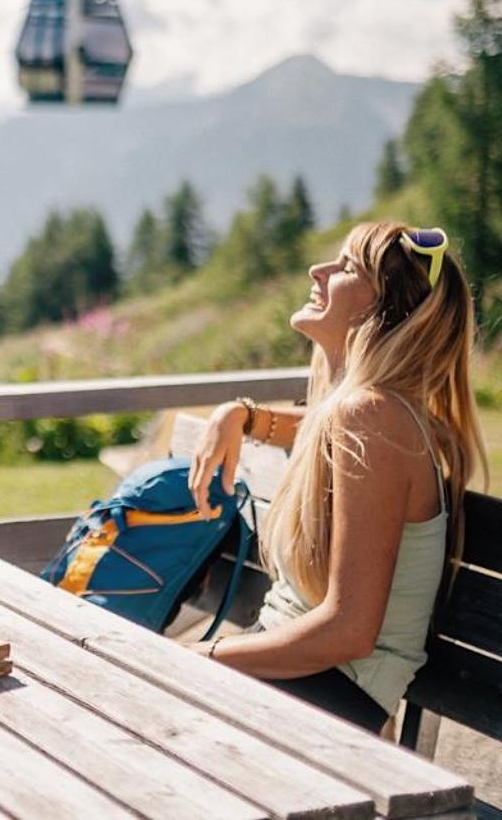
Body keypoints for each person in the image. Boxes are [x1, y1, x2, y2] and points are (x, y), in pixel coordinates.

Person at [184, 221, 486, 733]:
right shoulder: (368, 414)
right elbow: (321, 428)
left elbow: (348, 633)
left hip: (325, 697)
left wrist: (200, 657)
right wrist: (241, 415)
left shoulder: (375, 418)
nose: (317, 271)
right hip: (300, 679)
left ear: (382, 309)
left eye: (347, 267)